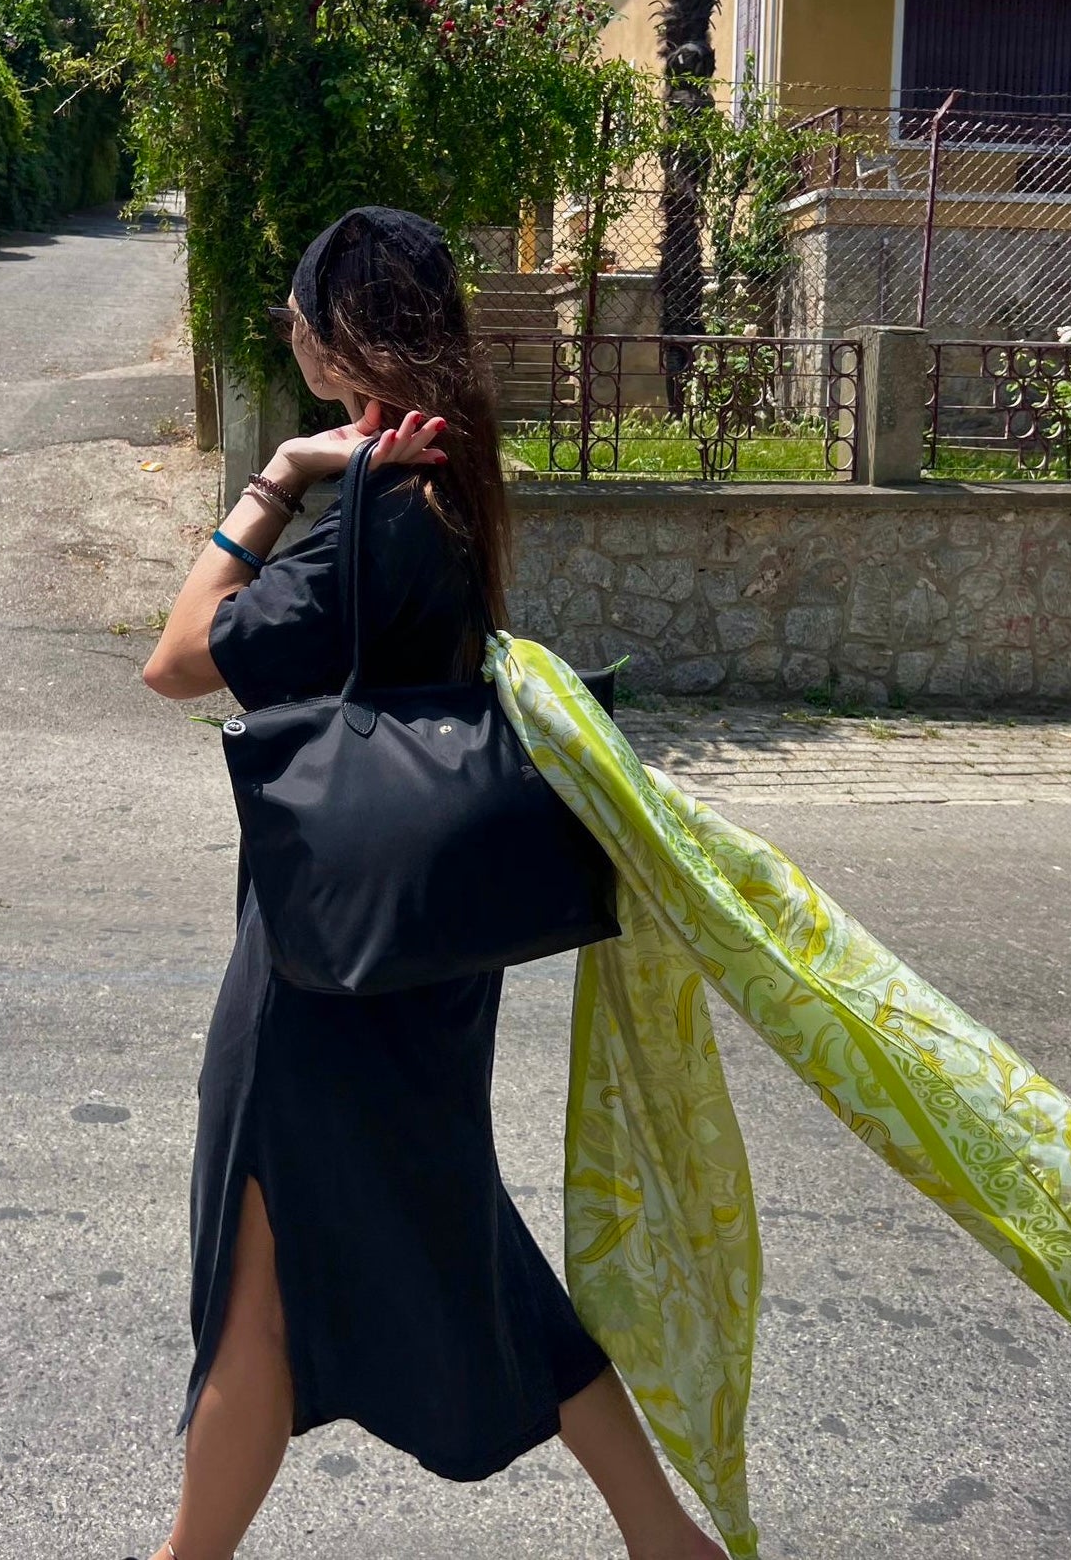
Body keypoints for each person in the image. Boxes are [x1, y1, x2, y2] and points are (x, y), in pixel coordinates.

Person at [135, 207, 726, 1560]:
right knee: (454, 1228)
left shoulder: (365, 516)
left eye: (297, 314)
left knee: (257, 1288)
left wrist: (277, 477)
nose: (286, 334)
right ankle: (664, 1540)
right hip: (416, 953)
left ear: (345, 341)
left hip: (318, 964)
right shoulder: (455, 493)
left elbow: (173, 657)